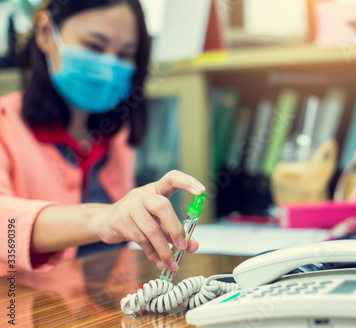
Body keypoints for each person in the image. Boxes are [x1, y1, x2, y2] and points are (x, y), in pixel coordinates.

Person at [0, 0, 204, 273]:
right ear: (46, 33)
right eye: (94, 47)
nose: (109, 67)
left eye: (125, 54)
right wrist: (106, 218)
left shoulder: (116, 137)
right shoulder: (6, 124)